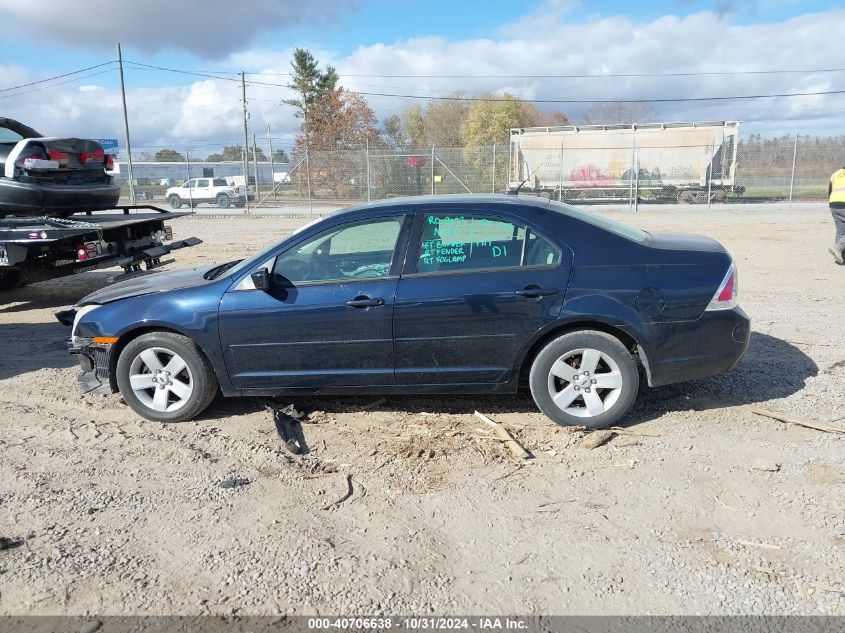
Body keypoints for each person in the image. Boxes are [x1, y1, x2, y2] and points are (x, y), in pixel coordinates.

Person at [829, 166, 845, 265]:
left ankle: (839, 258)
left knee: (840, 231)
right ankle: (838, 247)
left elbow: (830, 190)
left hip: (833, 204)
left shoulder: (836, 174)